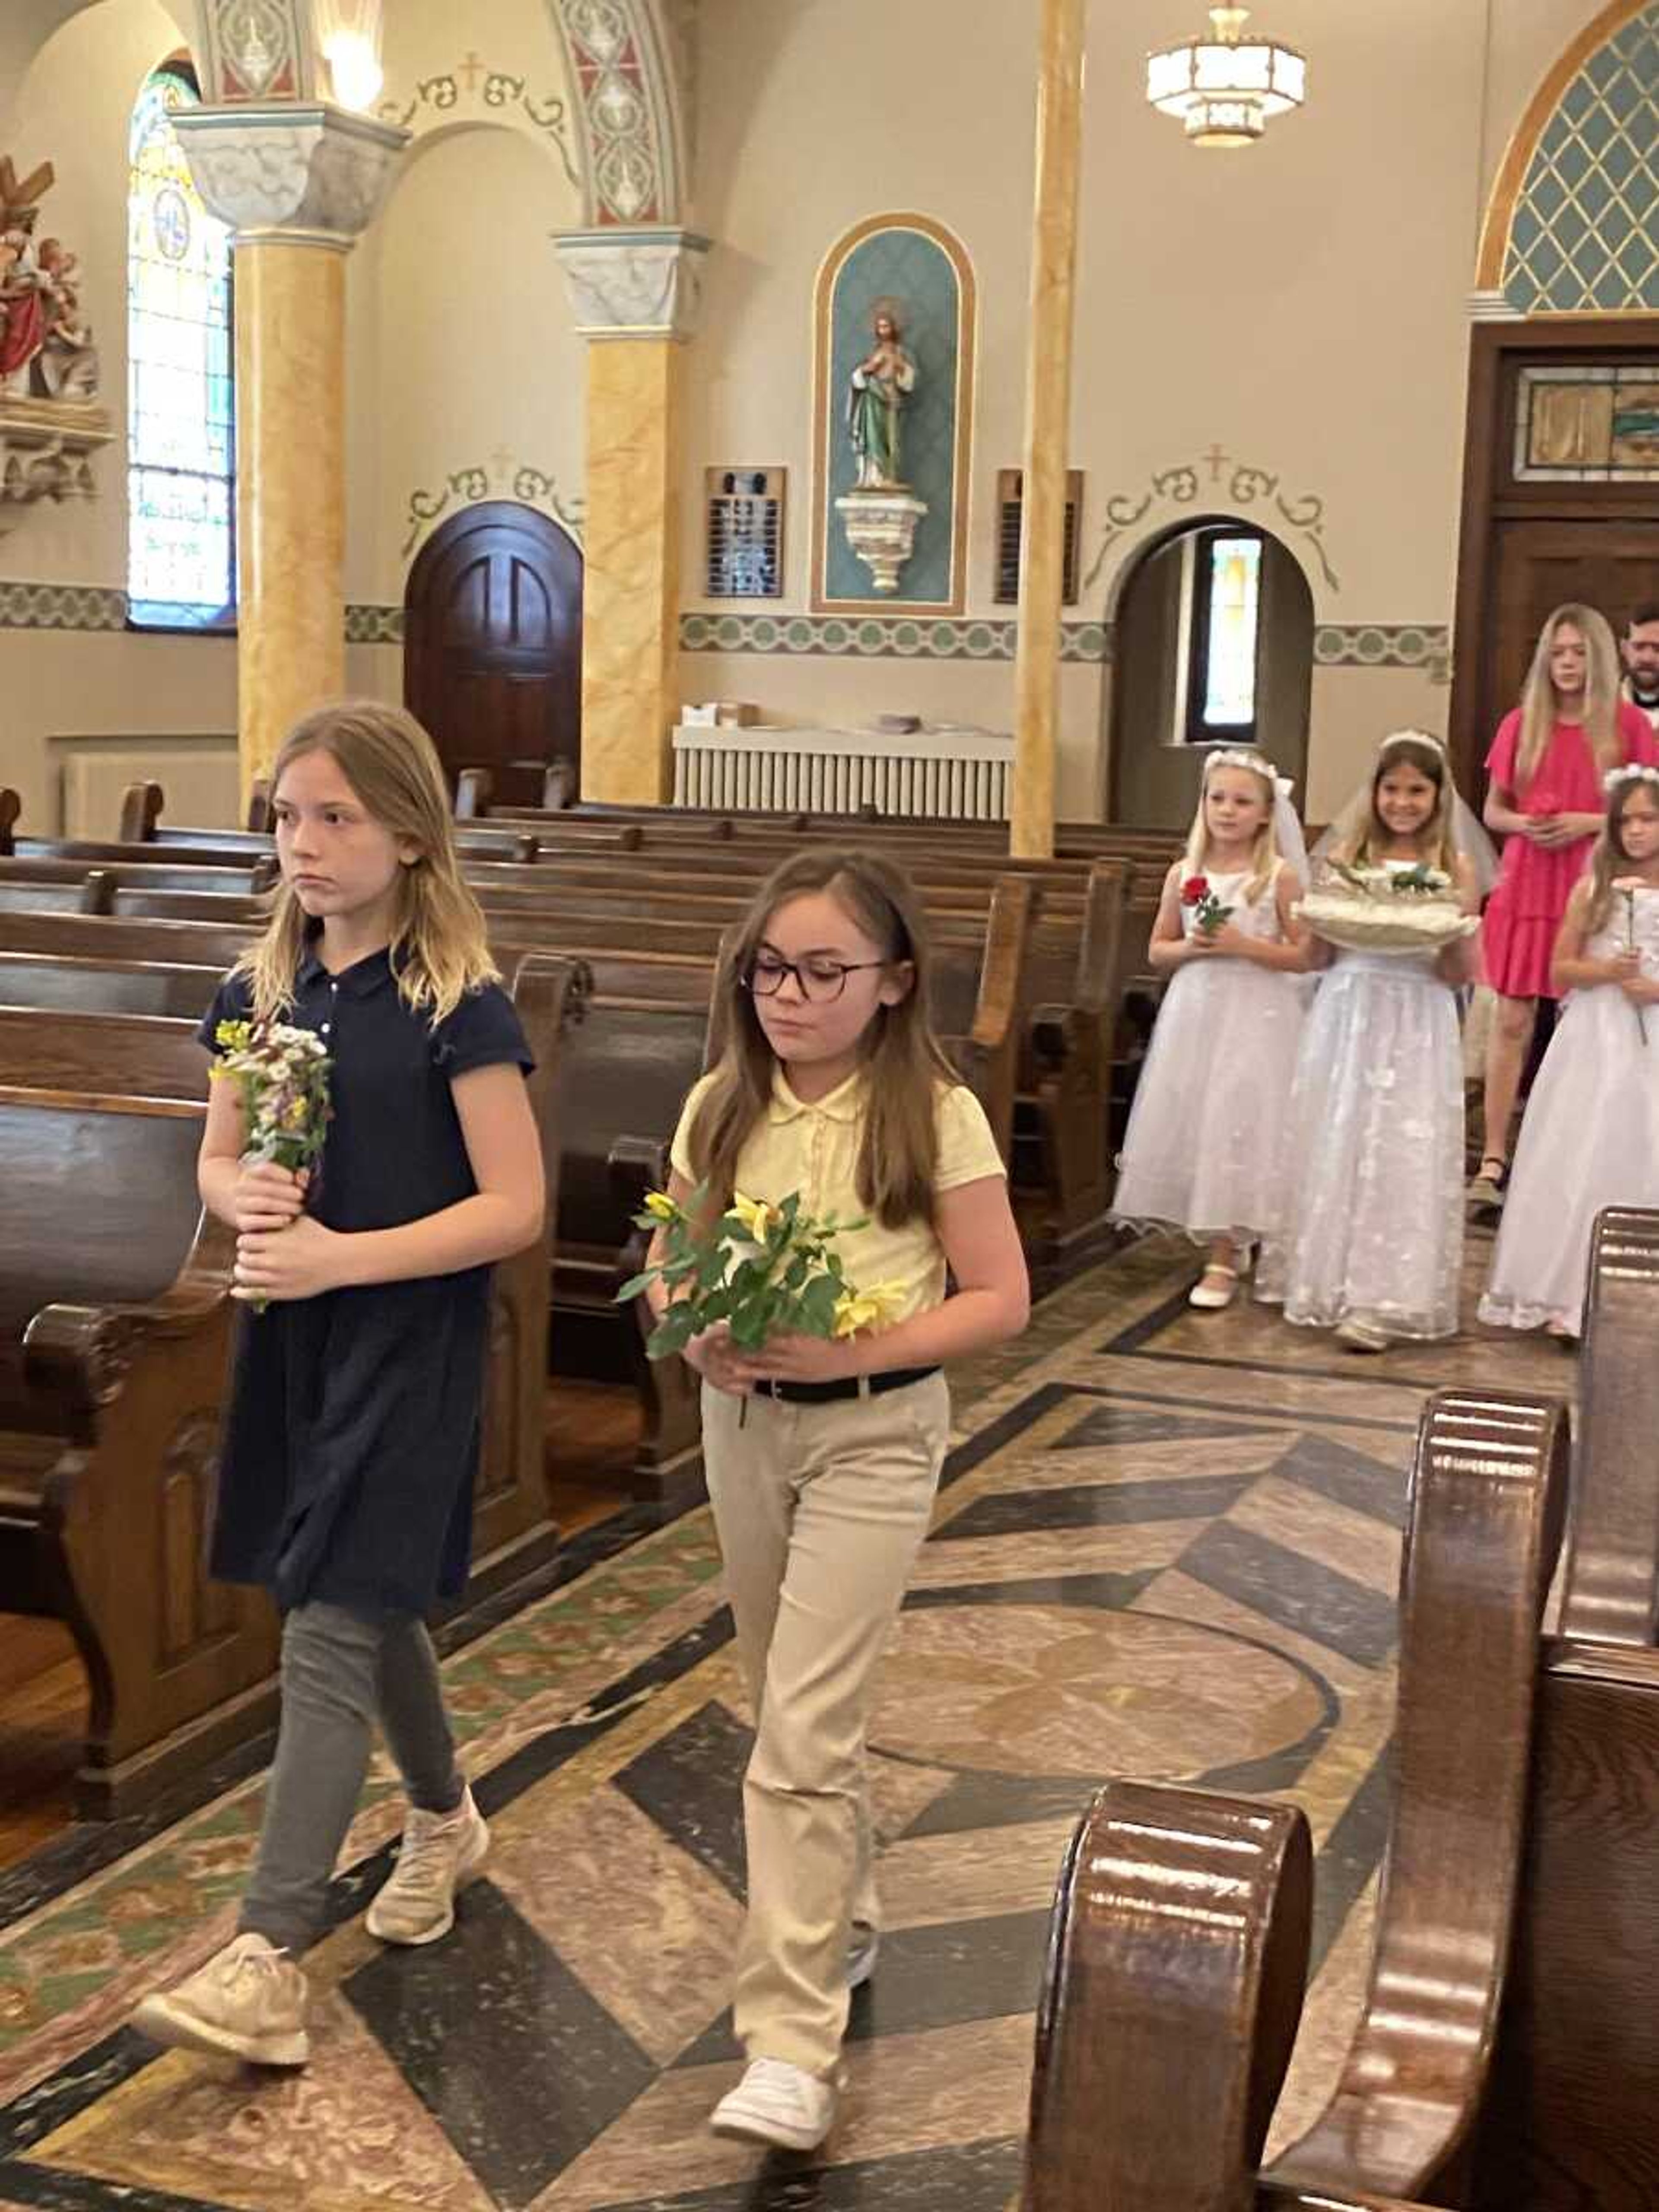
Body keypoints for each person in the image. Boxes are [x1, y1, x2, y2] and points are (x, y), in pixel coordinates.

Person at [131, 701, 544, 2067]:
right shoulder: (261, 988)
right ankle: (444, 1816)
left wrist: (343, 1255)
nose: (301, 844)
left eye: (333, 817)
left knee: (326, 1614)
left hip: (409, 1337)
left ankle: (267, 1949)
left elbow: (516, 1203)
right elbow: (215, 1158)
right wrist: (237, 1191)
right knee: (360, 1593)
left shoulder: (455, 1004)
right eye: (285, 817)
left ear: (411, 836)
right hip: (293, 1334)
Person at [651, 849, 1028, 2152]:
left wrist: (849, 1351)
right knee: (783, 1699)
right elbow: (669, 1264)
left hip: (873, 1434)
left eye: (822, 970)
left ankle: (789, 2042)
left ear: (890, 981)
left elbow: (996, 1296)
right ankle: (847, 1916)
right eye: (768, 967)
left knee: (801, 1732)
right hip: (743, 1429)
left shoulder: (930, 1109)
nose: (787, 994)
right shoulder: (721, 1101)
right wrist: (691, 1324)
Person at [1275, 732, 1479, 1352]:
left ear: (1437, 796)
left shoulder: (1455, 867)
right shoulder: (1346, 854)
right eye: (1392, 789)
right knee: (1342, 1136)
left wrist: (1454, 936)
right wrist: (1309, 919)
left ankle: (1389, 1296)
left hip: (1417, 1014)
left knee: (1402, 1147)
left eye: (1416, 790)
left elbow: (1457, 972)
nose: (1402, 802)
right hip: (1350, 1007)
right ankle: (1327, 1280)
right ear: (1375, 793)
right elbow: (1315, 952)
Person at [1470, 604, 1658, 1211]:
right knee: (1512, 1021)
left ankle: (1574, 1156)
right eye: (1558, 653)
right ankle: (1494, 1156)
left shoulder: (1628, 725)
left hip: (1594, 883)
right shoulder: (1522, 723)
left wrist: (1587, 821)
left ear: (1600, 657)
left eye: (1579, 652)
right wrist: (1526, 822)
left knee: (1588, 1029)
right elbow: (1494, 811)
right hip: (1527, 880)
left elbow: (1648, 810)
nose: (1569, 664)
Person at [1110, 747, 1310, 1309]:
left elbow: (1306, 957)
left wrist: (1244, 946)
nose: (1227, 810)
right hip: (1199, 1013)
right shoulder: (1186, 874)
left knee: (1246, 1123)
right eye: (1217, 798)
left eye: (1242, 801)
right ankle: (1223, 1244)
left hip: (1260, 1014)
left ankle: (1237, 1242)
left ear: (1266, 814)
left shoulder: (1279, 878)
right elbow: (1158, 949)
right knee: (1206, 1122)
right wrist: (1191, 948)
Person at [1480, 765, 1659, 1341]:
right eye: (1626, 820)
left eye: (1648, 819)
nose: (1636, 831)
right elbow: (1561, 967)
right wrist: (1607, 971)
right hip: (1599, 1034)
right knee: (1592, 1145)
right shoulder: (1594, 890)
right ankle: (1571, 1290)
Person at [847, 303, 916, 489]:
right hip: (873, 399)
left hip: (892, 401)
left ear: (894, 328)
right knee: (872, 437)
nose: (883, 330)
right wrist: (868, 368)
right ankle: (873, 477)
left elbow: (909, 382)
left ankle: (889, 476)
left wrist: (901, 366)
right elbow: (858, 377)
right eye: (880, 326)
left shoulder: (901, 353)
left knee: (892, 440)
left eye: (886, 326)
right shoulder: (873, 354)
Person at [1622, 604, 1659, 737]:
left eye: (1658, 649)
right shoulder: (1602, 709)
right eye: (1639, 647)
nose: (1647, 659)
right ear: (1624, 649)